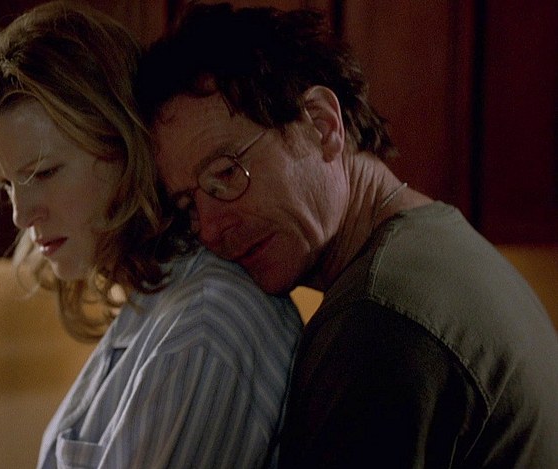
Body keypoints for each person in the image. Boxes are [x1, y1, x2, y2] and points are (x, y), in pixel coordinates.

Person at [135, 3, 558, 467]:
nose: (212, 229)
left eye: (226, 173)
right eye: (188, 206)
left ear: (322, 126)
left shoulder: (377, 323)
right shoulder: (440, 244)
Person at [0, 2, 302, 467]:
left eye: (45, 173)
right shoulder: (156, 306)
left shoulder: (201, 329)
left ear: (128, 149)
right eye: (7, 184)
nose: (21, 214)